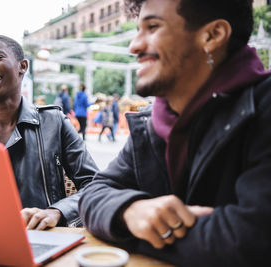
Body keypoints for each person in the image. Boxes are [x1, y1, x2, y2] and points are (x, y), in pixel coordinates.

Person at [79, 0, 271, 266]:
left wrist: (136, 231)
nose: (134, 45)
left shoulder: (264, 107)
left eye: (153, 27)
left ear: (212, 35)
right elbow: (94, 193)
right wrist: (130, 210)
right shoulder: (152, 121)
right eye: (138, 30)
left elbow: (253, 241)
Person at [0, 35, 98, 230]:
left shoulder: (54, 122)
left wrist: (57, 211)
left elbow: (95, 184)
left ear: (22, 66)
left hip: (42, 236)